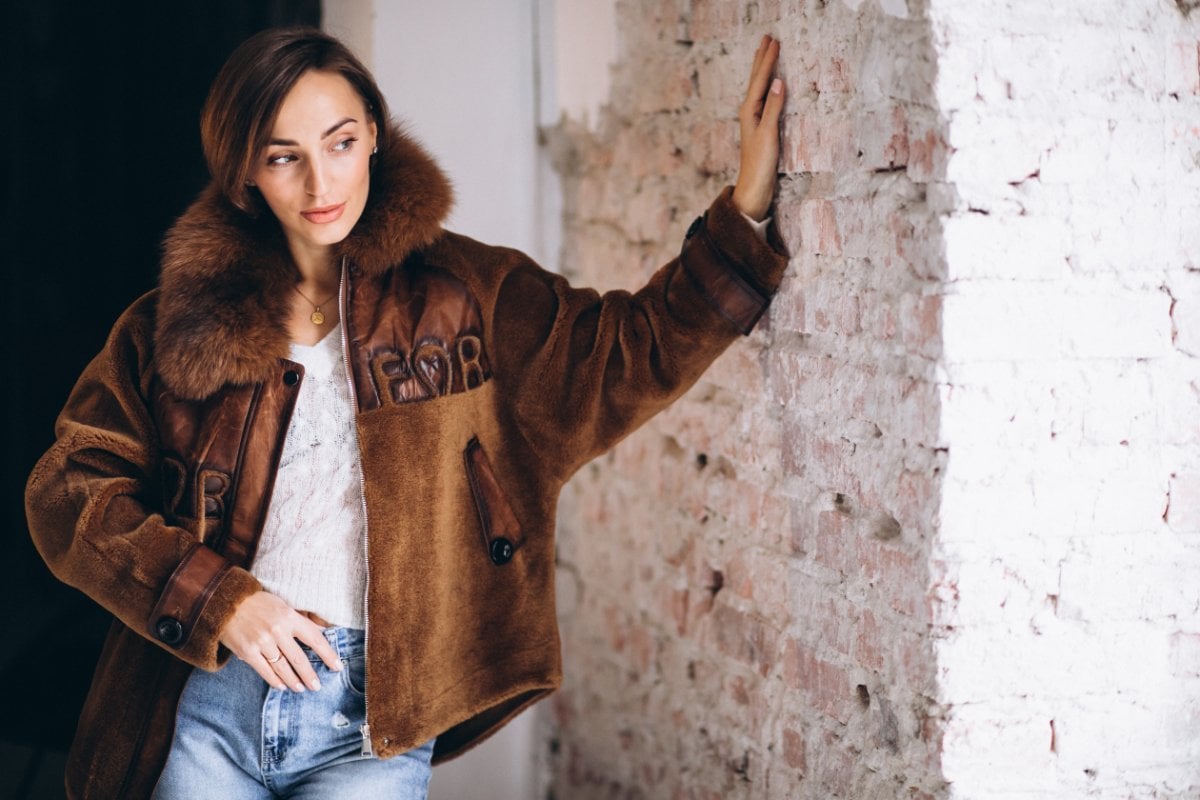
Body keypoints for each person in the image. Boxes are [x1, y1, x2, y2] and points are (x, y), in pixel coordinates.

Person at [25, 26, 788, 800]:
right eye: (283, 156)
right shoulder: (173, 324)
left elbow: (630, 349)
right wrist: (220, 602)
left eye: (340, 142)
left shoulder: (471, 295)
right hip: (208, 705)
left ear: (374, 135)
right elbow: (67, 491)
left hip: (375, 723)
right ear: (245, 173)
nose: (321, 182)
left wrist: (745, 212)